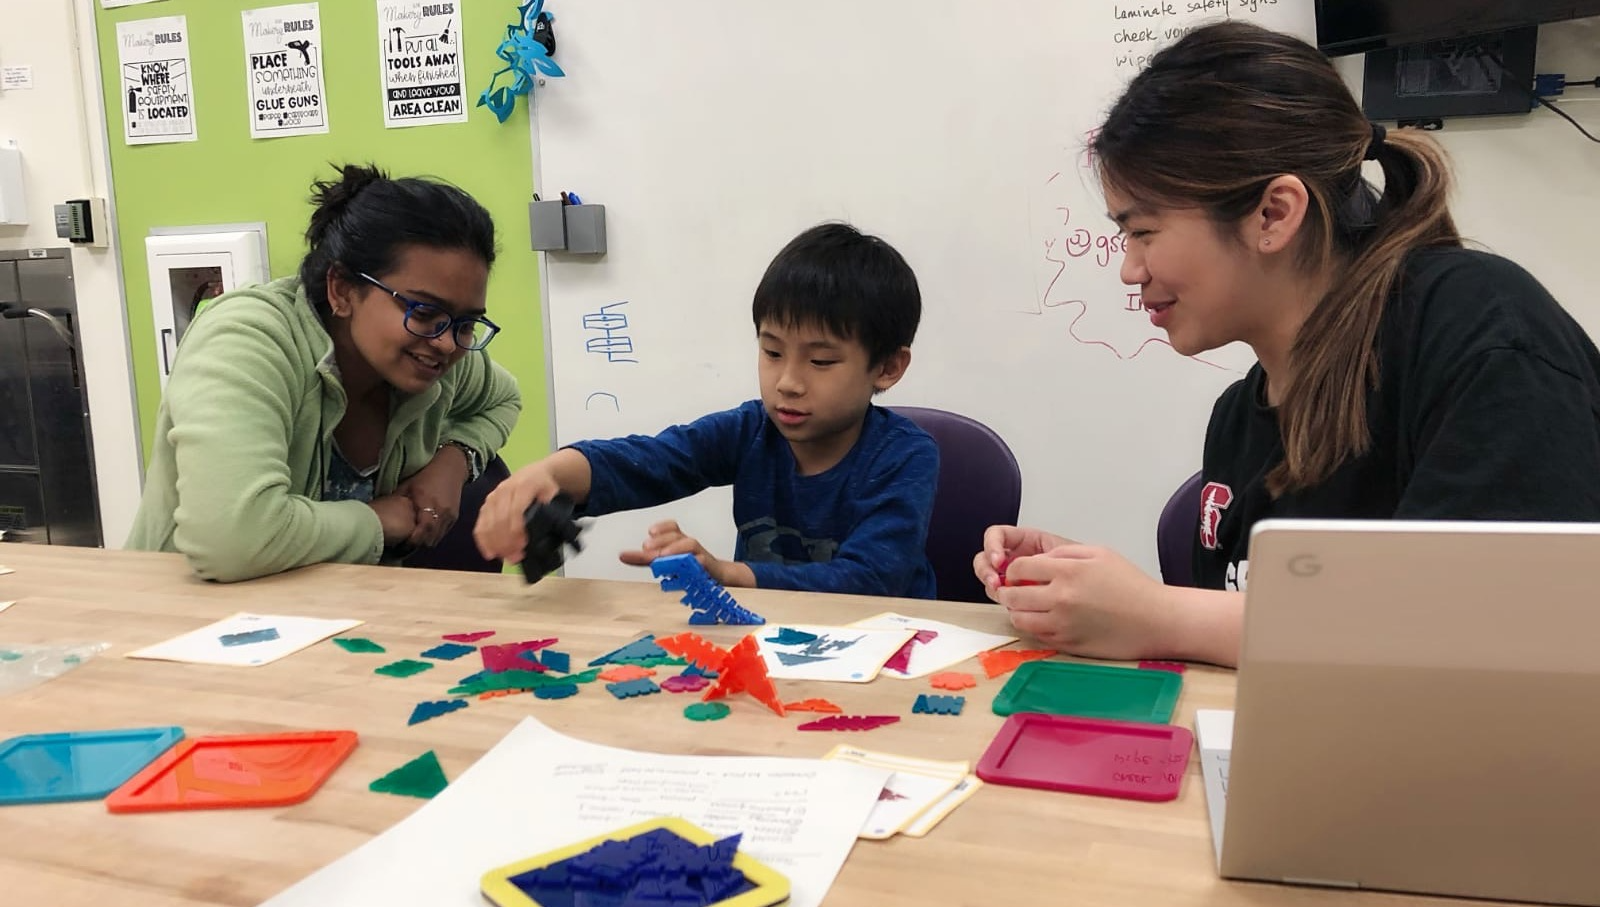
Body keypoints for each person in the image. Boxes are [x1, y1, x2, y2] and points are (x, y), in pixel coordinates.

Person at [974, 21, 1600, 666]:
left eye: (1144, 232)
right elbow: (1254, 640)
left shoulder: (1478, 328)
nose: (1130, 271)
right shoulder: (1240, 417)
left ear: (1273, 214)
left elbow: (1501, 633)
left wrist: (1160, 615)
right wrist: (1088, 594)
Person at [475, 222, 939, 598]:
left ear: (888, 367)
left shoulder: (906, 456)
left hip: (890, 650)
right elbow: (651, 460)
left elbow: (872, 581)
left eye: (820, 361)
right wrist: (550, 474)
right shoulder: (750, 431)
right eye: (772, 352)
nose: (788, 382)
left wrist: (728, 574)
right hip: (770, 643)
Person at [126, 163, 522, 582]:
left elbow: (503, 400)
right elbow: (230, 540)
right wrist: (377, 522)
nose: (447, 343)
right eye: (423, 312)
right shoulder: (248, 341)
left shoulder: (438, 354)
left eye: (466, 323)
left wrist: (454, 461)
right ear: (343, 289)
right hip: (191, 624)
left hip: (342, 620)